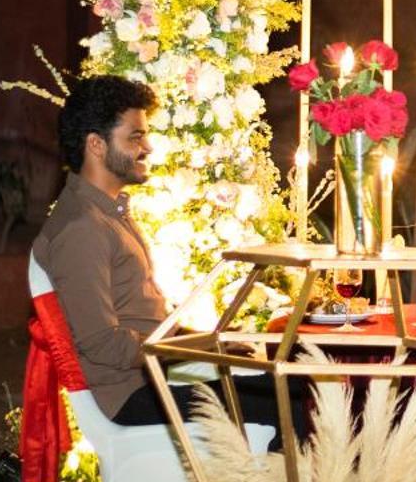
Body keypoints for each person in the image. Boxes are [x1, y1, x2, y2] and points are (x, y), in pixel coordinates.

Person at [36, 75, 288, 438]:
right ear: (96, 144)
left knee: (281, 380)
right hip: (131, 397)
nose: (148, 147)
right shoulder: (82, 228)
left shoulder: (106, 212)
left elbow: (143, 321)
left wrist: (208, 340)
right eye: (135, 137)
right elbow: (102, 344)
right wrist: (196, 347)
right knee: (291, 399)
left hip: (151, 378)